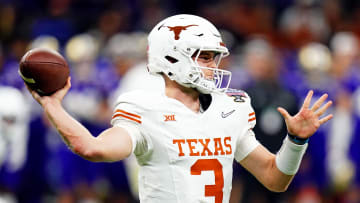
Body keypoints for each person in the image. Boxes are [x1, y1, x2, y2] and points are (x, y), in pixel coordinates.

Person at [25, 14, 333, 203]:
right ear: (171, 57)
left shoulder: (230, 108)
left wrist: (296, 142)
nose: (214, 66)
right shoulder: (143, 108)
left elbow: (274, 179)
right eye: (205, 56)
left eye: (216, 57)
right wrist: (52, 105)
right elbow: (91, 147)